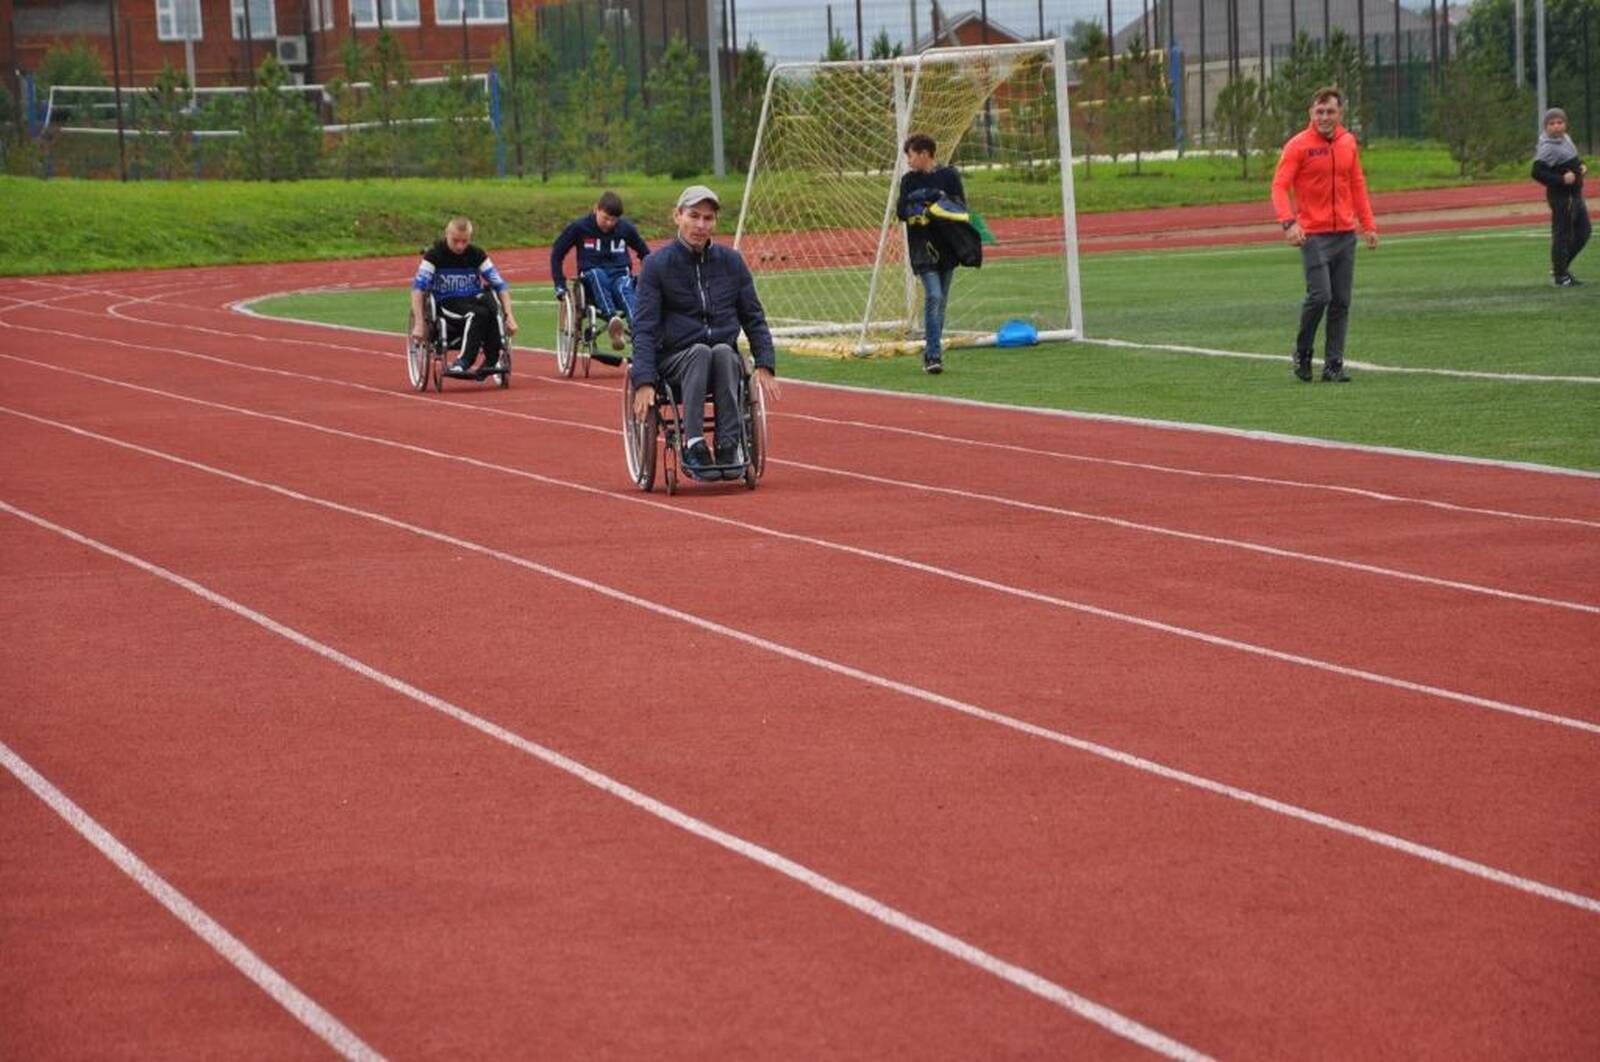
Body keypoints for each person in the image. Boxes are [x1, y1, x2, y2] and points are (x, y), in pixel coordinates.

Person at [629, 185, 781, 482]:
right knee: (700, 352)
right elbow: (644, 328)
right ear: (678, 216)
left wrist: (765, 363)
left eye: (708, 218)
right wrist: (644, 381)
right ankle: (694, 442)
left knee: (723, 352)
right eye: (694, 216)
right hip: (675, 359)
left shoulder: (731, 262)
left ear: (715, 222)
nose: (701, 225)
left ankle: (728, 443)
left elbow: (753, 317)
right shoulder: (656, 266)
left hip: (723, 358)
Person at [1270, 86, 1378, 384]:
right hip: (1313, 234)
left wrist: (1368, 224)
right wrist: (1288, 223)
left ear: (1340, 113)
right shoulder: (1298, 146)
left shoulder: (1348, 143)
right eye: (1319, 112)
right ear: (1311, 113)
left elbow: (1356, 183)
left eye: (1330, 111)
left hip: (1345, 233)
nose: (1325, 117)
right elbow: (1279, 186)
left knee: (1341, 301)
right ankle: (1303, 352)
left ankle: (1333, 364)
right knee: (1320, 295)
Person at [897, 133, 971, 375]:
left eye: (911, 156)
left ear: (924, 154)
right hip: (923, 249)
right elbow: (901, 210)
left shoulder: (949, 176)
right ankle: (932, 355)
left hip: (948, 247)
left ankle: (933, 351)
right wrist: (918, 206)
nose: (908, 161)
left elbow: (961, 206)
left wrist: (939, 202)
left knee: (941, 303)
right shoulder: (908, 181)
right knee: (934, 296)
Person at [550, 190, 652, 364]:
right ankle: (612, 319)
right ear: (596, 209)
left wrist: (651, 277)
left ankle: (638, 332)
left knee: (625, 285)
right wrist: (559, 283)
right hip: (591, 276)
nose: (609, 223)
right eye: (606, 218)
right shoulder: (580, 228)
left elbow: (645, 253)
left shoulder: (626, 229)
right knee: (597, 275)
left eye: (614, 220)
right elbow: (557, 253)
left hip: (619, 274)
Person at [410, 217, 517, 376]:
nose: (460, 246)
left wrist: (510, 316)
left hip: (472, 299)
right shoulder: (434, 256)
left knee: (491, 305)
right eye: (455, 241)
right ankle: (464, 361)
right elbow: (418, 289)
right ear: (447, 234)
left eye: (464, 241)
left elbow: (500, 285)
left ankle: (492, 358)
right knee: (477, 314)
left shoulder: (476, 254)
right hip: (447, 302)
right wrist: (419, 323)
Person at [1531, 107, 1590, 287]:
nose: (1556, 126)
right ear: (1546, 126)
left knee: (1583, 232)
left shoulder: (1565, 139)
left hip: (1575, 195)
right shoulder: (1548, 147)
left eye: (1560, 122)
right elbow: (1537, 172)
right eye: (1552, 123)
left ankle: (1560, 268)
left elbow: (1571, 161)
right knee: (1562, 235)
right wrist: (1561, 179)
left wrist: (1581, 167)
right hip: (1563, 197)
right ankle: (1561, 275)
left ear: (1565, 124)